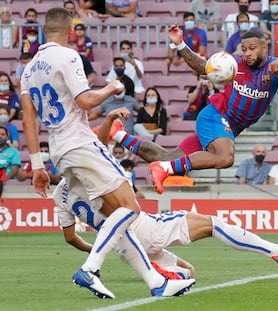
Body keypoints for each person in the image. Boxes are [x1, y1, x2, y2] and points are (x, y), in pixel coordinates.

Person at [20, 7, 195, 299]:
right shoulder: (68, 56)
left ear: (45, 30)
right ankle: (90, 268)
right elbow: (86, 100)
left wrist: (38, 165)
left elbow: (27, 119)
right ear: (69, 30)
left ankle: (156, 281)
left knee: (117, 216)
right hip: (79, 143)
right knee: (130, 208)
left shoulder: (29, 69)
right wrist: (112, 87)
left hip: (60, 153)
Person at [112, 28, 278, 194]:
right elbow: (202, 66)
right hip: (216, 116)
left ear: (264, 48)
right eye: (244, 49)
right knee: (225, 158)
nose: (247, 53)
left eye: (252, 48)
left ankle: (119, 134)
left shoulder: (274, 68)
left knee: (165, 157)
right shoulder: (234, 63)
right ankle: (165, 169)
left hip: (225, 129)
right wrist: (180, 44)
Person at [54, 175, 278, 279]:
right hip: (142, 228)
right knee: (212, 224)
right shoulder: (90, 177)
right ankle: (275, 250)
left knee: (189, 271)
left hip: (123, 247)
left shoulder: (60, 195)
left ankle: (167, 272)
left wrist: (97, 250)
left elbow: (70, 237)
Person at [0, 126, 20, 196]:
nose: (0, 136)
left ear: (7, 136)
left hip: (8, 182)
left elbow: (15, 170)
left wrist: (4, 180)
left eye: (3, 134)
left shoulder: (14, 151)